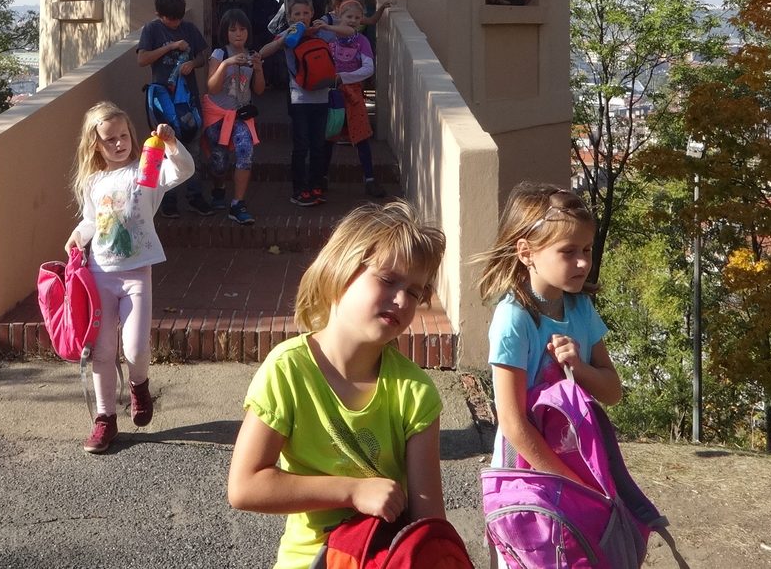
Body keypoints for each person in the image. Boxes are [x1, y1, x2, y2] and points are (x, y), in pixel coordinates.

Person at [227, 201, 448, 569]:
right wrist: (353, 490)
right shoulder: (288, 370)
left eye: (414, 291)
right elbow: (245, 486)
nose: (401, 299)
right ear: (339, 271)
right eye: (387, 279)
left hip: (382, 560)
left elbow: (430, 528)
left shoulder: (416, 392)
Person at [63, 102, 194, 454]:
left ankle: (139, 385)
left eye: (123, 135)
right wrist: (77, 236)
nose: (119, 143)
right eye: (110, 139)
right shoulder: (93, 181)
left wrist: (170, 143)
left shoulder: (144, 171)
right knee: (102, 351)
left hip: (137, 273)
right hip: (100, 274)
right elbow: (91, 220)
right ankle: (104, 418)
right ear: (95, 144)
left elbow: (183, 170)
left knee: (135, 347)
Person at [475, 184, 623, 481]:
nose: (583, 262)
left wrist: (580, 368)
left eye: (586, 249)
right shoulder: (513, 319)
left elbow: (612, 392)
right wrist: (568, 483)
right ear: (526, 253)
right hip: (526, 478)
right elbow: (513, 423)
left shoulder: (581, 309)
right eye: (568, 251)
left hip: (579, 464)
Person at [256, 0, 337, 207]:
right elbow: (264, 51)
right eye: (297, 14)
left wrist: (326, 27)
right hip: (299, 99)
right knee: (301, 145)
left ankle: (316, 185)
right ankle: (299, 189)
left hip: (322, 97)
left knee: (319, 145)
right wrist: (285, 38)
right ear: (290, 16)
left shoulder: (322, 32)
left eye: (306, 13)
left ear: (312, 13)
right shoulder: (289, 34)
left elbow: (348, 32)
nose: (302, 17)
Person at [137, 0, 211, 216]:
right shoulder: (152, 29)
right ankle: (168, 201)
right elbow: (142, 59)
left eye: (178, 18)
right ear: (159, 15)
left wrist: (193, 64)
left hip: (187, 100)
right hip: (162, 102)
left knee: (193, 147)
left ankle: (195, 195)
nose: (175, 22)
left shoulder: (189, 29)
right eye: (170, 19)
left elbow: (203, 55)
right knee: (164, 148)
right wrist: (170, 46)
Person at [204, 8, 264, 226]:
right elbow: (212, 88)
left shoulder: (252, 55)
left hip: (241, 116)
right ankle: (219, 187)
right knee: (219, 162)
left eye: (242, 29)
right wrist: (226, 64)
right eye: (233, 30)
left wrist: (258, 69)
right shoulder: (220, 54)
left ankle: (238, 204)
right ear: (225, 33)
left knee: (245, 152)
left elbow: (259, 90)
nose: (238, 34)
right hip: (218, 115)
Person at [327, 0, 386, 198]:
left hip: (353, 94)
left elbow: (368, 69)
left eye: (357, 18)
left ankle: (369, 179)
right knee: (329, 136)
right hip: (332, 94)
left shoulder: (362, 41)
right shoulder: (329, 38)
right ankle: (321, 177)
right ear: (339, 16)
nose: (353, 20)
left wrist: (343, 77)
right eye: (349, 16)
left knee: (361, 137)